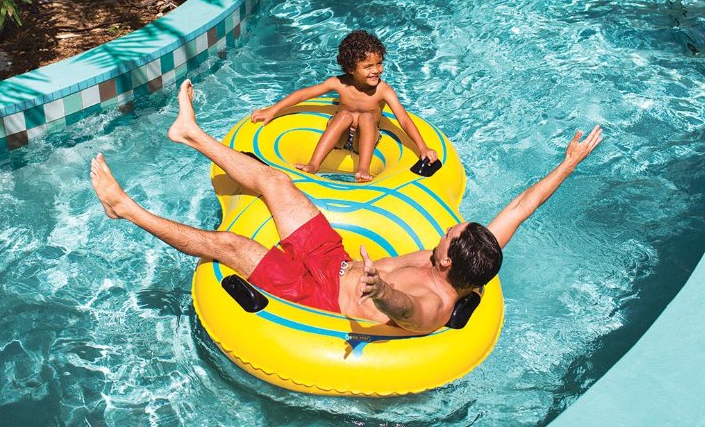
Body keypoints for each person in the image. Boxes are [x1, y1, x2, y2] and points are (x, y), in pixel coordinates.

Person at [90, 79, 603, 335]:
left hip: (318, 295)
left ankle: (125, 209)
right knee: (276, 182)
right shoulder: (471, 256)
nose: (448, 228)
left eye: (448, 235)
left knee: (229, 245)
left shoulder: (436, 302)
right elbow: (520, 208)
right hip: (335, 262)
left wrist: (381, 291)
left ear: (447, 260)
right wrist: (569, 164)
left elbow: (407, 310)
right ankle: (191, 133)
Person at [250, 30, 437, 182]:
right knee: (344, 115)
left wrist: (422, 148)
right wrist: (273, 110)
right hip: (339, 135)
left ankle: (363, 168)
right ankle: (314, 164)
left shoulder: (383, 90)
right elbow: (304, 94)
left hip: (365, 138)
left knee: (366, 117)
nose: (376, 70)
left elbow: (403, 119)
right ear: (351, 69)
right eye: (368, 66)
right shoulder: (338, 83)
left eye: (379, 64)